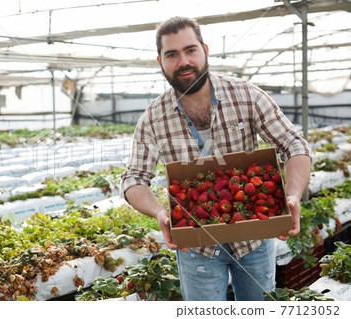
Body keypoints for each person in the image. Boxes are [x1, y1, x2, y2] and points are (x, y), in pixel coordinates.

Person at [120, 16, 311, 301]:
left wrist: (293, 195)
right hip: (197, 247)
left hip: (254, 240)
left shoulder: (247, 96)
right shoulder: (153, 119)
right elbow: (133, 178)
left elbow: (293, 145)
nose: (183, 61)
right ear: (160, 61)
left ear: (205, 50)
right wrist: (162, 213)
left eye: (190, 50)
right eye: (172, 54)